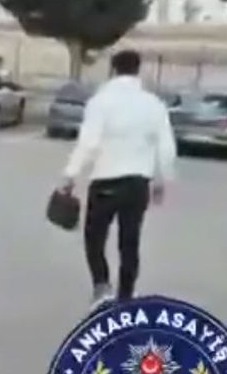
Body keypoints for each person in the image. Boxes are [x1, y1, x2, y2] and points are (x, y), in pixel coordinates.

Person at [58, 49, 176, 308]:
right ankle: (126, 294)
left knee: (94, 237)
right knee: (130, 240)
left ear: (112, 70)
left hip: (105, 181)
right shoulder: (154, 104)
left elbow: (89, 143)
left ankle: (101, 286)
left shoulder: (100, 102)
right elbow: (166, 146)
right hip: (138, 183)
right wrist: (162, 180)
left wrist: (70, 175)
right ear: (138, 70)